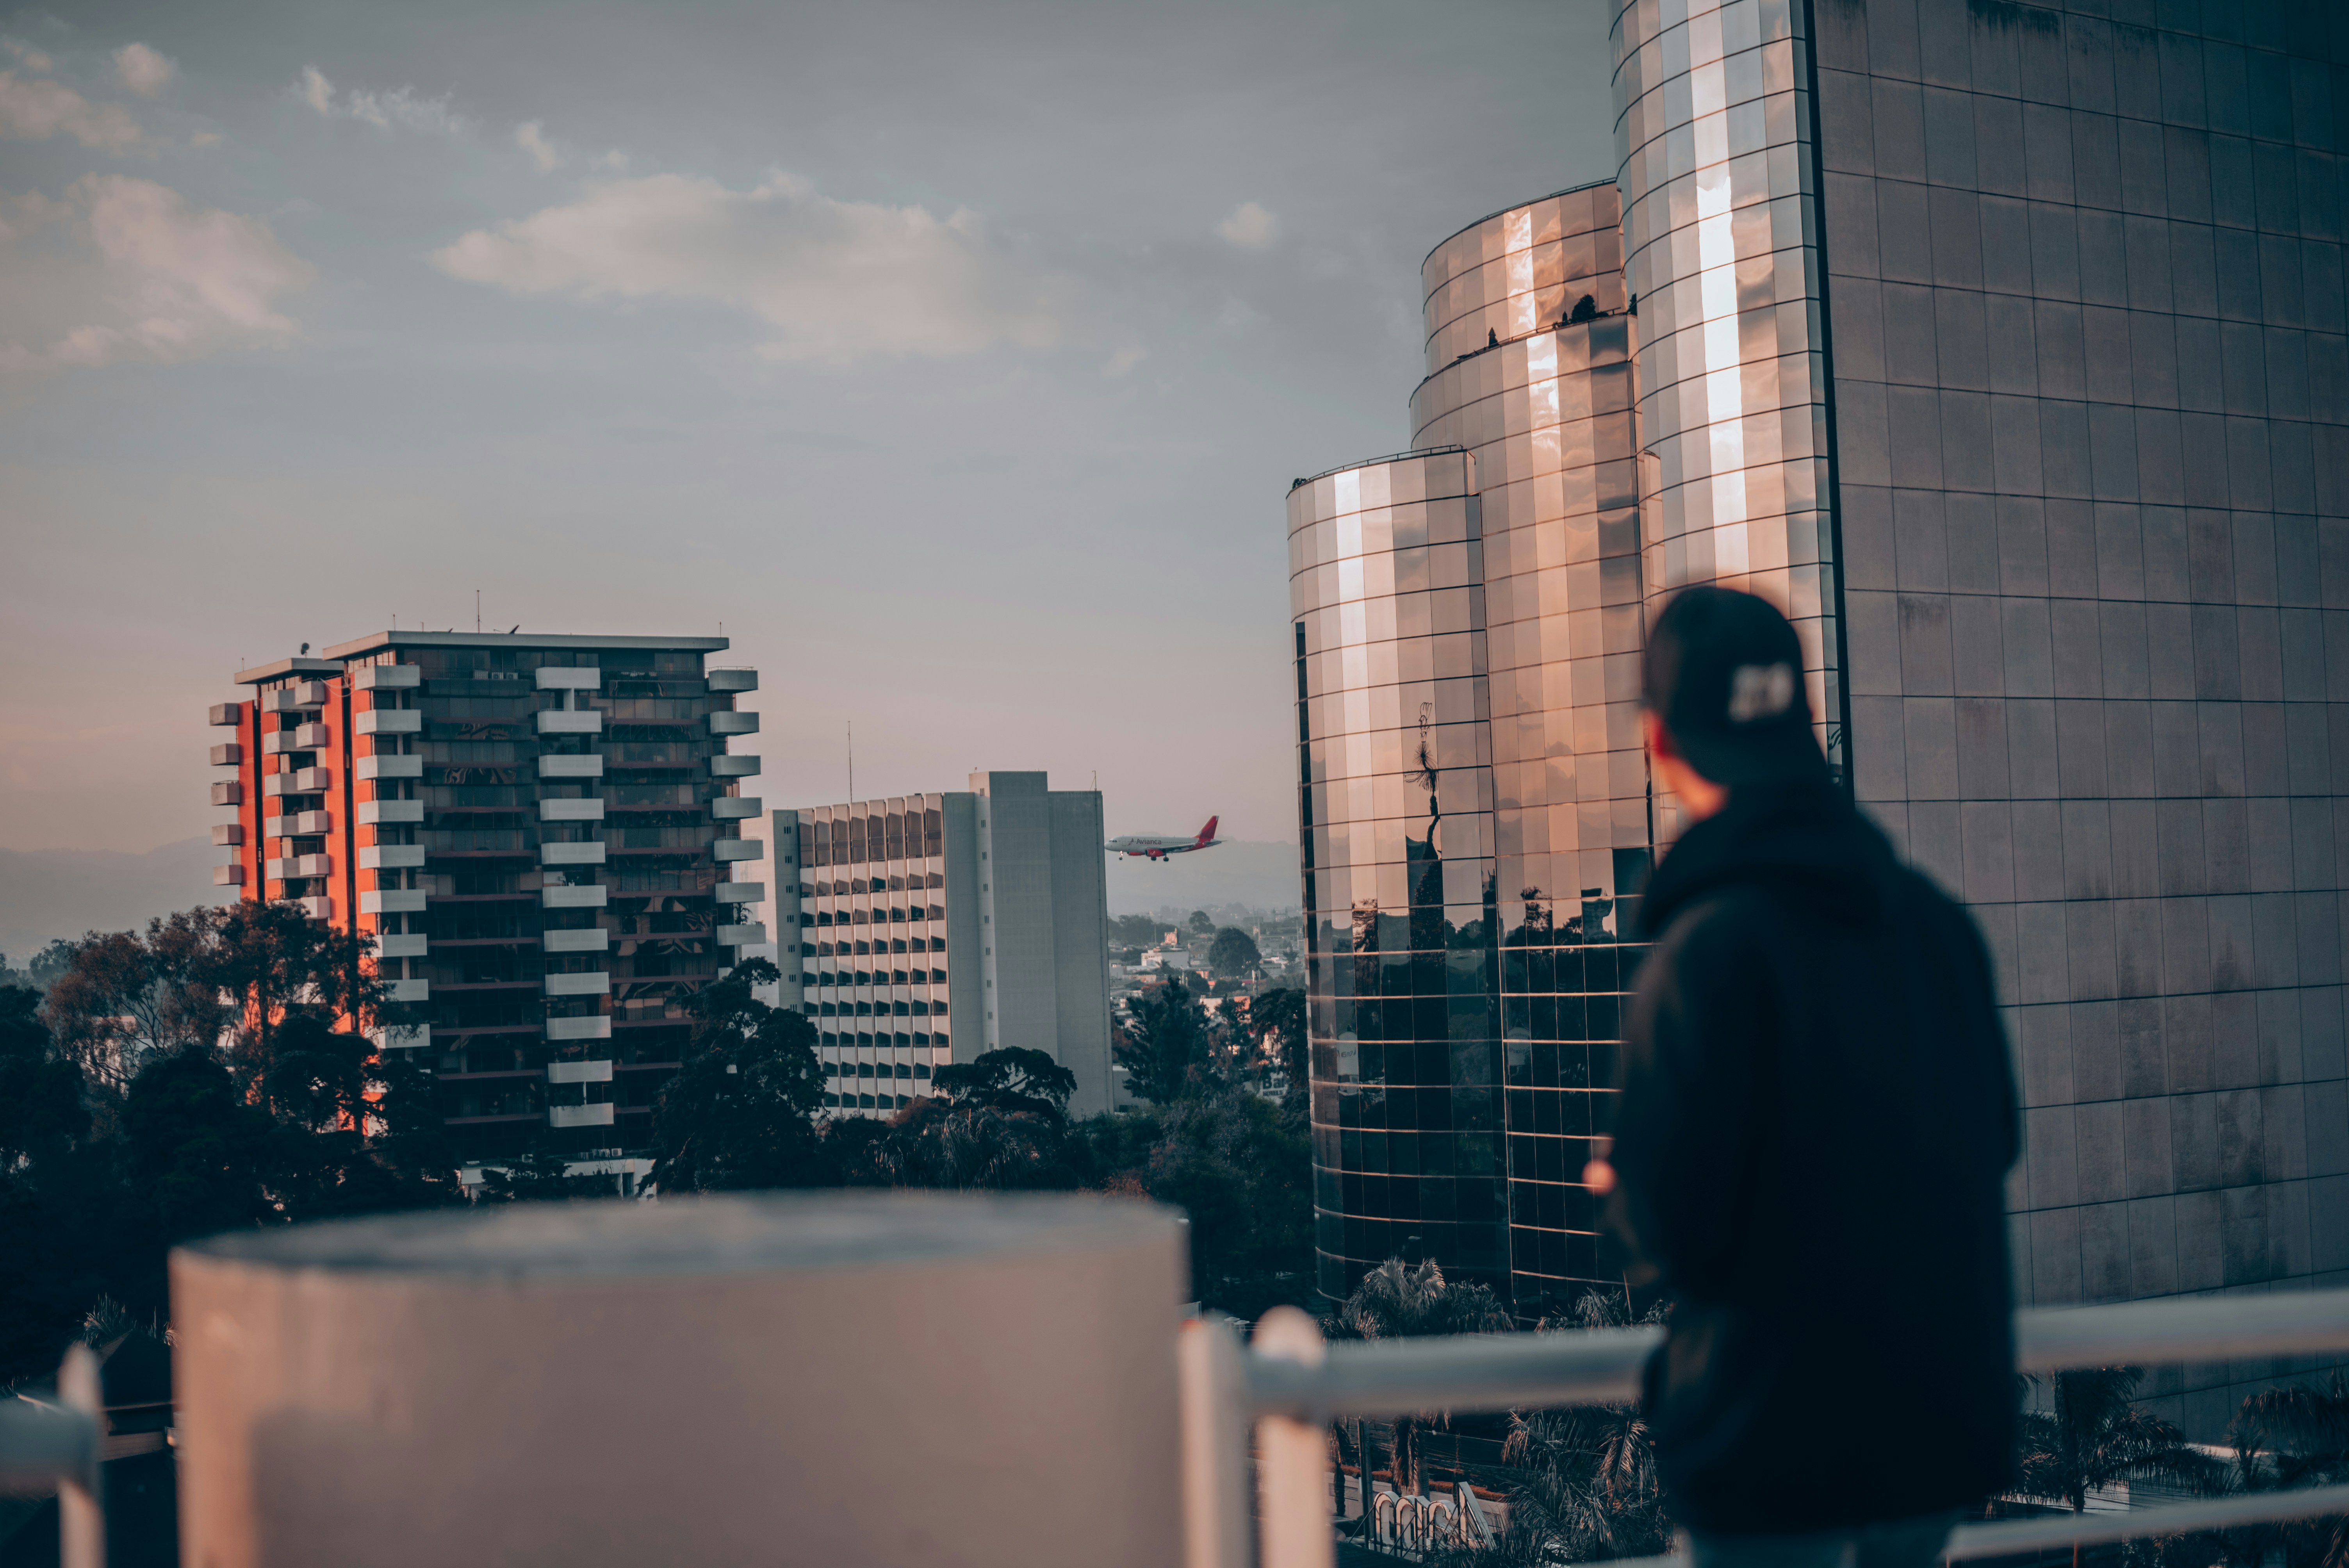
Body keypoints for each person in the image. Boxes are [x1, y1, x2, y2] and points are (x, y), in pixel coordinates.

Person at [1585, 585, 2019, 1568]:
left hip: (1771, 1450)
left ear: (1658, 742)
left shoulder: (1705, 953)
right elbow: (1990, 1140)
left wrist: (1619, 1184)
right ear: (1802, 726)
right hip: (1931, 1446)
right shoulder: (1936, 926)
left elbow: (1667, 1231)